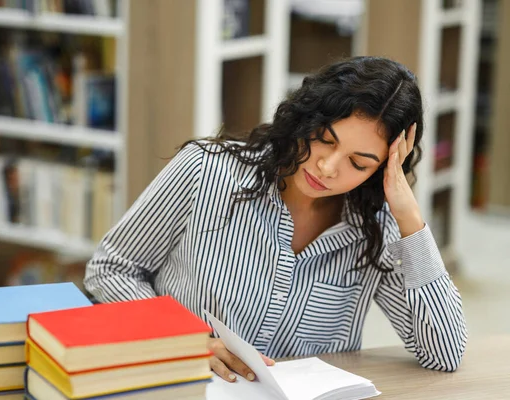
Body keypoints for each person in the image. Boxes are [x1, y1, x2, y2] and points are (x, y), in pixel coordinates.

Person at [84, 56, 467, 382]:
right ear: (306, 118)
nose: (328, 167)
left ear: (383, 168)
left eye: (358, 163)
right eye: (325, 138)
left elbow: (444, 353)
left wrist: (409, 218)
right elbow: (112, 269)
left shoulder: (377, 229)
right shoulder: (206, 171)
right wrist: (180, 340)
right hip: (186, 386)